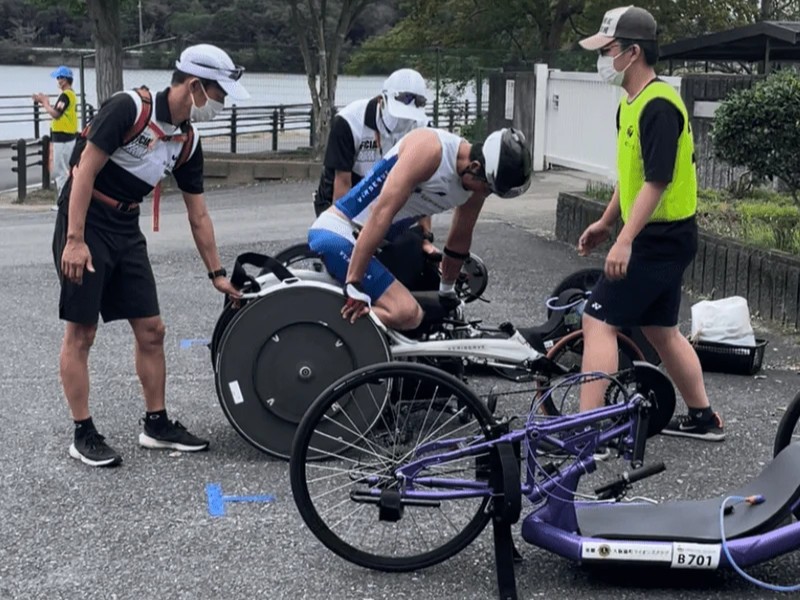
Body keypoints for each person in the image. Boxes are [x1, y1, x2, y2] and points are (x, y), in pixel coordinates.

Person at [52, 43, 249, 467]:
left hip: (126, 226)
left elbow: (198, 214)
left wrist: (216, 272)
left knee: (152, 330)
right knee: (82, 332)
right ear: (195, 86)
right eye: (219, 94)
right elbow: (83, 172)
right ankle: (82, 432)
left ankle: (156, 424)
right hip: (86, 220)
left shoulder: (187, 140)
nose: (222, 105)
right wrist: (74, 240)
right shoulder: (129, 108)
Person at [576, 6, 724, 441]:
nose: (602, 59)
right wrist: (606, 222)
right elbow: (632, 177)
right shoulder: (632, 104)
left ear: (633, 52)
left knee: (598, 319)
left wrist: (624, 240)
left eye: (607, 50)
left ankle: (585, 430)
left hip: (660, 238)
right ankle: (703, 418)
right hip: (663, 235)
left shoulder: (658, 106)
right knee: (661, 329)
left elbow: (658, 181)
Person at [307, 126, 532, 332]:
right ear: (475, 167)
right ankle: (315, 324)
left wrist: (447, 290)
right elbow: (381, 213)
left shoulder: (476, 185)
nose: (486, 194)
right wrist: (354, 282)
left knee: (418, 307)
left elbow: (460, 238)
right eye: (488, 189)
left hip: (368, 243)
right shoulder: (430, 149)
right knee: (406, 314)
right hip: (339, 232)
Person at [33, 65, 78, 207]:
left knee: (61, 172)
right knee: (66, 170)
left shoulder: (66, 95)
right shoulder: (70, 94)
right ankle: (67, 201)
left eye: (60, 78)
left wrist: (45, 103)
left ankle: (63, 203)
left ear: (66, 79)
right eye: (57, 78)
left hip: (63, 138)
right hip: (68, 136)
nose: (58, 80)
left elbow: (56, 114)